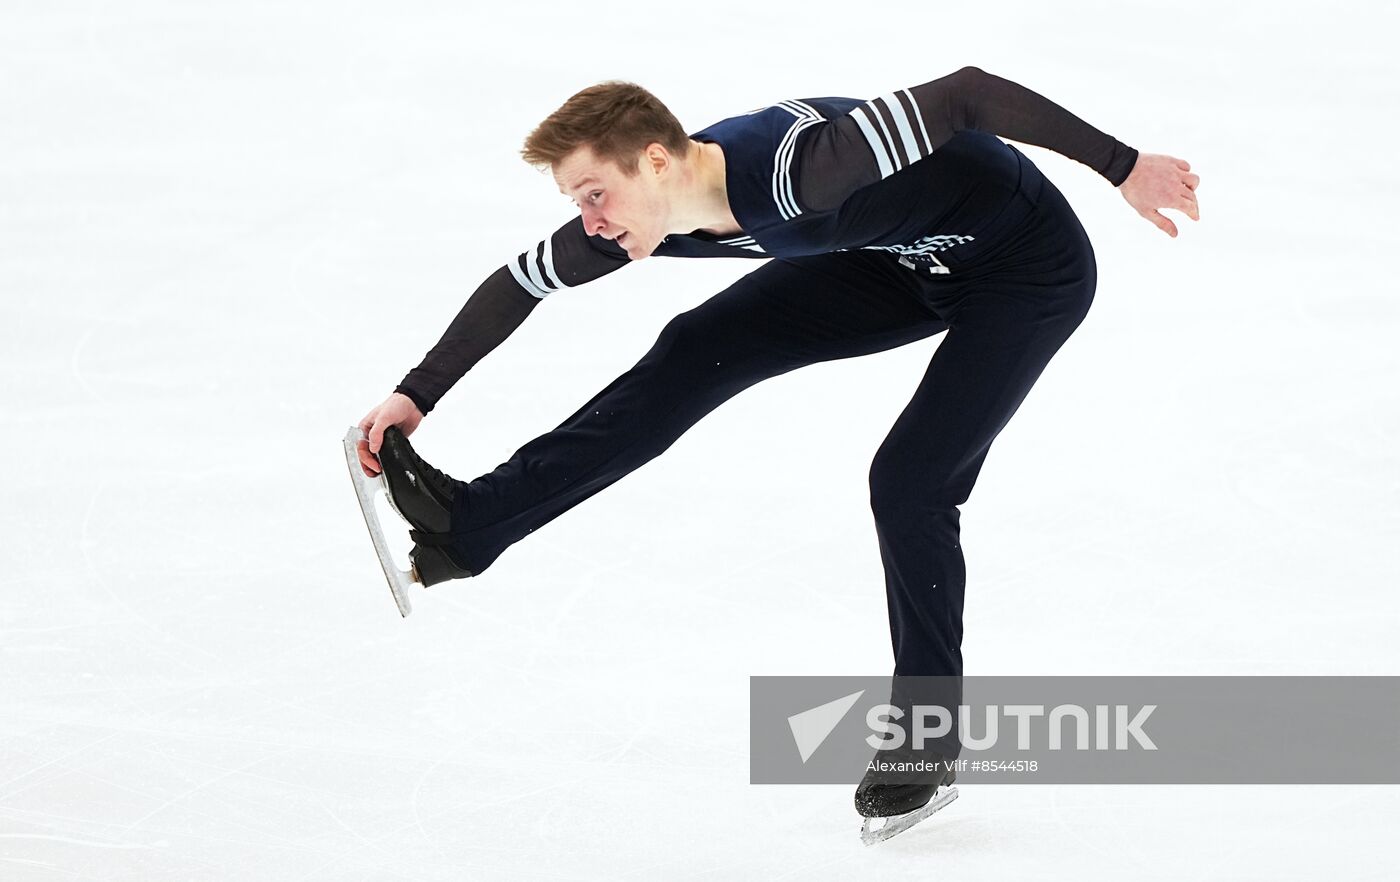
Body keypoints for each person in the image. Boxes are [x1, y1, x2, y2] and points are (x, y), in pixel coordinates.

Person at [352, 66, 1201, 832]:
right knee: (696, 349)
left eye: (594, 194)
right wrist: (416, 394)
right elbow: (518, 282)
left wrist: (1124, 165)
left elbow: (969, 94)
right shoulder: (652, 218)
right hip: (897, 258)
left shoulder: (804, 167)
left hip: (1026, 270)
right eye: (578, 203)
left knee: (910, 480)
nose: (590, 221)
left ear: (654, 160)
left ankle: (928, 737)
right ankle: (469, 527)